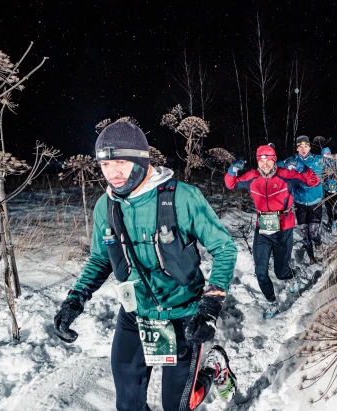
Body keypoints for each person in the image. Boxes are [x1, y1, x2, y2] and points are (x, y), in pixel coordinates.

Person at [53, 119, 238, 411]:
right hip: (135, 315)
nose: (111, 173)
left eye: (121, 163)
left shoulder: (183, 197)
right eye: (104, 165)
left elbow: (225, 249)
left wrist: (211, 305)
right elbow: (101, 258)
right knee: (128, 405)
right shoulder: (106, 205)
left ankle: (213, 369)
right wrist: (74, 300)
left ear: (140, 161)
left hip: (183, 316)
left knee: (177, 405)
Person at [225, 144, 320, 319]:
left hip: (283, 227)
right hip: (263, 228)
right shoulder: (251, 177)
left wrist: (302, 167)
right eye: (261, 160)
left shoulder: (286, 175)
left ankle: (293, 274)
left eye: (268, 159)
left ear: (274, 160)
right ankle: (272, 303)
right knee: (260, 272)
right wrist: (232, 170)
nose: (265, 164)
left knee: (280, 272)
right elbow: (230, 184)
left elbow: (314, 181)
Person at [278, 135, 325, 264]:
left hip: (316, 201)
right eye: (300, 147)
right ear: (297, 149)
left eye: (305, 146)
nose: (303, 149)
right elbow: (274, 166)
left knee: (313, 232)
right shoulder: (291, 161)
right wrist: (269, 155)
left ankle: (318, 242)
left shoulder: (318, 160)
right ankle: (311, 256)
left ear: (309, 147)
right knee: (305, 232)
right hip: (300, 202)